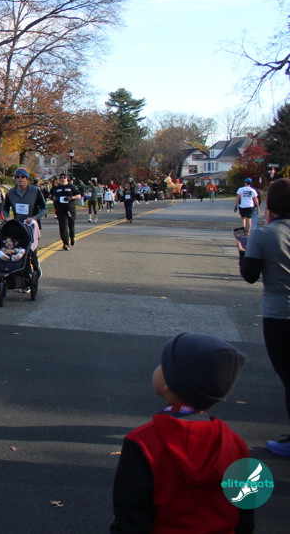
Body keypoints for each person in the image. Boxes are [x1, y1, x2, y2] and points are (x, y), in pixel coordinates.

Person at [111, 332, 250, 532]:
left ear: (170, 382)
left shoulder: (142, 442)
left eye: (163, 364)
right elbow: (246, 510)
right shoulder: (236, 443)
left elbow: (131, 515)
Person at [238, 177, 290, 457]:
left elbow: (250, 275)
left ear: (270, 204)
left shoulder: (264, 234)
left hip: (280, 314)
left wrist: (242, 251)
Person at [50, 173, 81, 250]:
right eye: (61, 178)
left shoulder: (71, 187)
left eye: (64, 178)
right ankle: (65, 243)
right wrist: (54, 199)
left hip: (70, 209)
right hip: (61, 210)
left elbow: (79, 195)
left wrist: (71, 197)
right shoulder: (57, 188)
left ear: (67, 179)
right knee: (63, 226)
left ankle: (72, 237)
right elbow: (52, 196)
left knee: (71, 225)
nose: (63, 179)